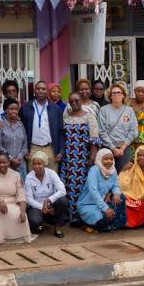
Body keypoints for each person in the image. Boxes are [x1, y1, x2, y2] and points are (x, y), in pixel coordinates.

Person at [60, 91, 100, 224]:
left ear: (81, 101)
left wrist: (92, 157)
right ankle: (70, 216)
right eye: (71, 101)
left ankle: (81, 216)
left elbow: (94, 138)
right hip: (68, 157)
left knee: (81, 186)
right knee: (68, 187)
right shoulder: (66, 117)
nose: (74, 103)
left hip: (83, 157)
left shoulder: (89, 117)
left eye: (77, 100)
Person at [0, 152, 33, 244]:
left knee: (20, 213)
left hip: (12, 201)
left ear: (9, 163)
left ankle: (19, 237)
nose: (2, 165)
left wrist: (23, 211)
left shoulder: (16, 175)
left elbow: (21, 195)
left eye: (4, 162)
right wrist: (0, 201)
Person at [77, 148, 127, 232]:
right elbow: (94, 192)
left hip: (104, 202)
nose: (109, 161)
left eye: (111, 159)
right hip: (89, 205)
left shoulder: (113, 170)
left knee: (121, 198)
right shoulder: (94, 170)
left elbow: (115, 185)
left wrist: (116, 193)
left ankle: (108, 226)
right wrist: (105, 208)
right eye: (106, 159)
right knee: (103, 218)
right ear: (100, 159)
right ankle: (97, 225)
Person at [20, 81, 63, 171]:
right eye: (38, 88)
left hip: (50, 149)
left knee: (51, 178)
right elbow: (21, 130)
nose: (41, 91)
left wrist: (60, 151)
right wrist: (25, 149)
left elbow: (60, 131)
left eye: (43, 89)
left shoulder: (55, 108)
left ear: (47, 91)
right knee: (33, 178)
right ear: (34, 91)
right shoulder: (26, 107)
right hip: (32, 148)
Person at [25, 151, 68, 237]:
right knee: (34, 221)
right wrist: (42, 207)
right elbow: (29, 199)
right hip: (37, 206)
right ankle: (42, 223)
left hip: (51, 204)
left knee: (63, 201)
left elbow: (63, 190)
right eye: (34, 164)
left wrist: (49, 200)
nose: (36, 166)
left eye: (39, 163)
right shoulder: (29, 177)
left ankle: (57, 226)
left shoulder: (51, 173)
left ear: (44, 164)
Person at [98, 82, 138, 172]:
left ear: (123, 95)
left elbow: (134, 131)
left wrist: (122, 148)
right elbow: (101, 131)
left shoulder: (129, 110)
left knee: (124, 175)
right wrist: (113, 148)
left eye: (119, 92)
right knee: (107, 173)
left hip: (124, 148)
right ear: (110, 96)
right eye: (114, 93)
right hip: (108, 148)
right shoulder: (103, 110)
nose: (116, 95)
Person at [118, 146, 144, 228]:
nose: (142, 158)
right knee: (126, 204)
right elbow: (122, 182)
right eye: (139, 155)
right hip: (131, 195)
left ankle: (139, 222)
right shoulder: (130, 166)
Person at [0, 98, 28, 179]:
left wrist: (19, 157)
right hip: (5, 164)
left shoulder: (21, 124)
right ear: (5, 110)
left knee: (21, 188)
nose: (14, 111)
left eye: (16, 109)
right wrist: (11, 159)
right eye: (11, 109)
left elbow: (25, 143)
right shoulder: (0, 125)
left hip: (20, 164)